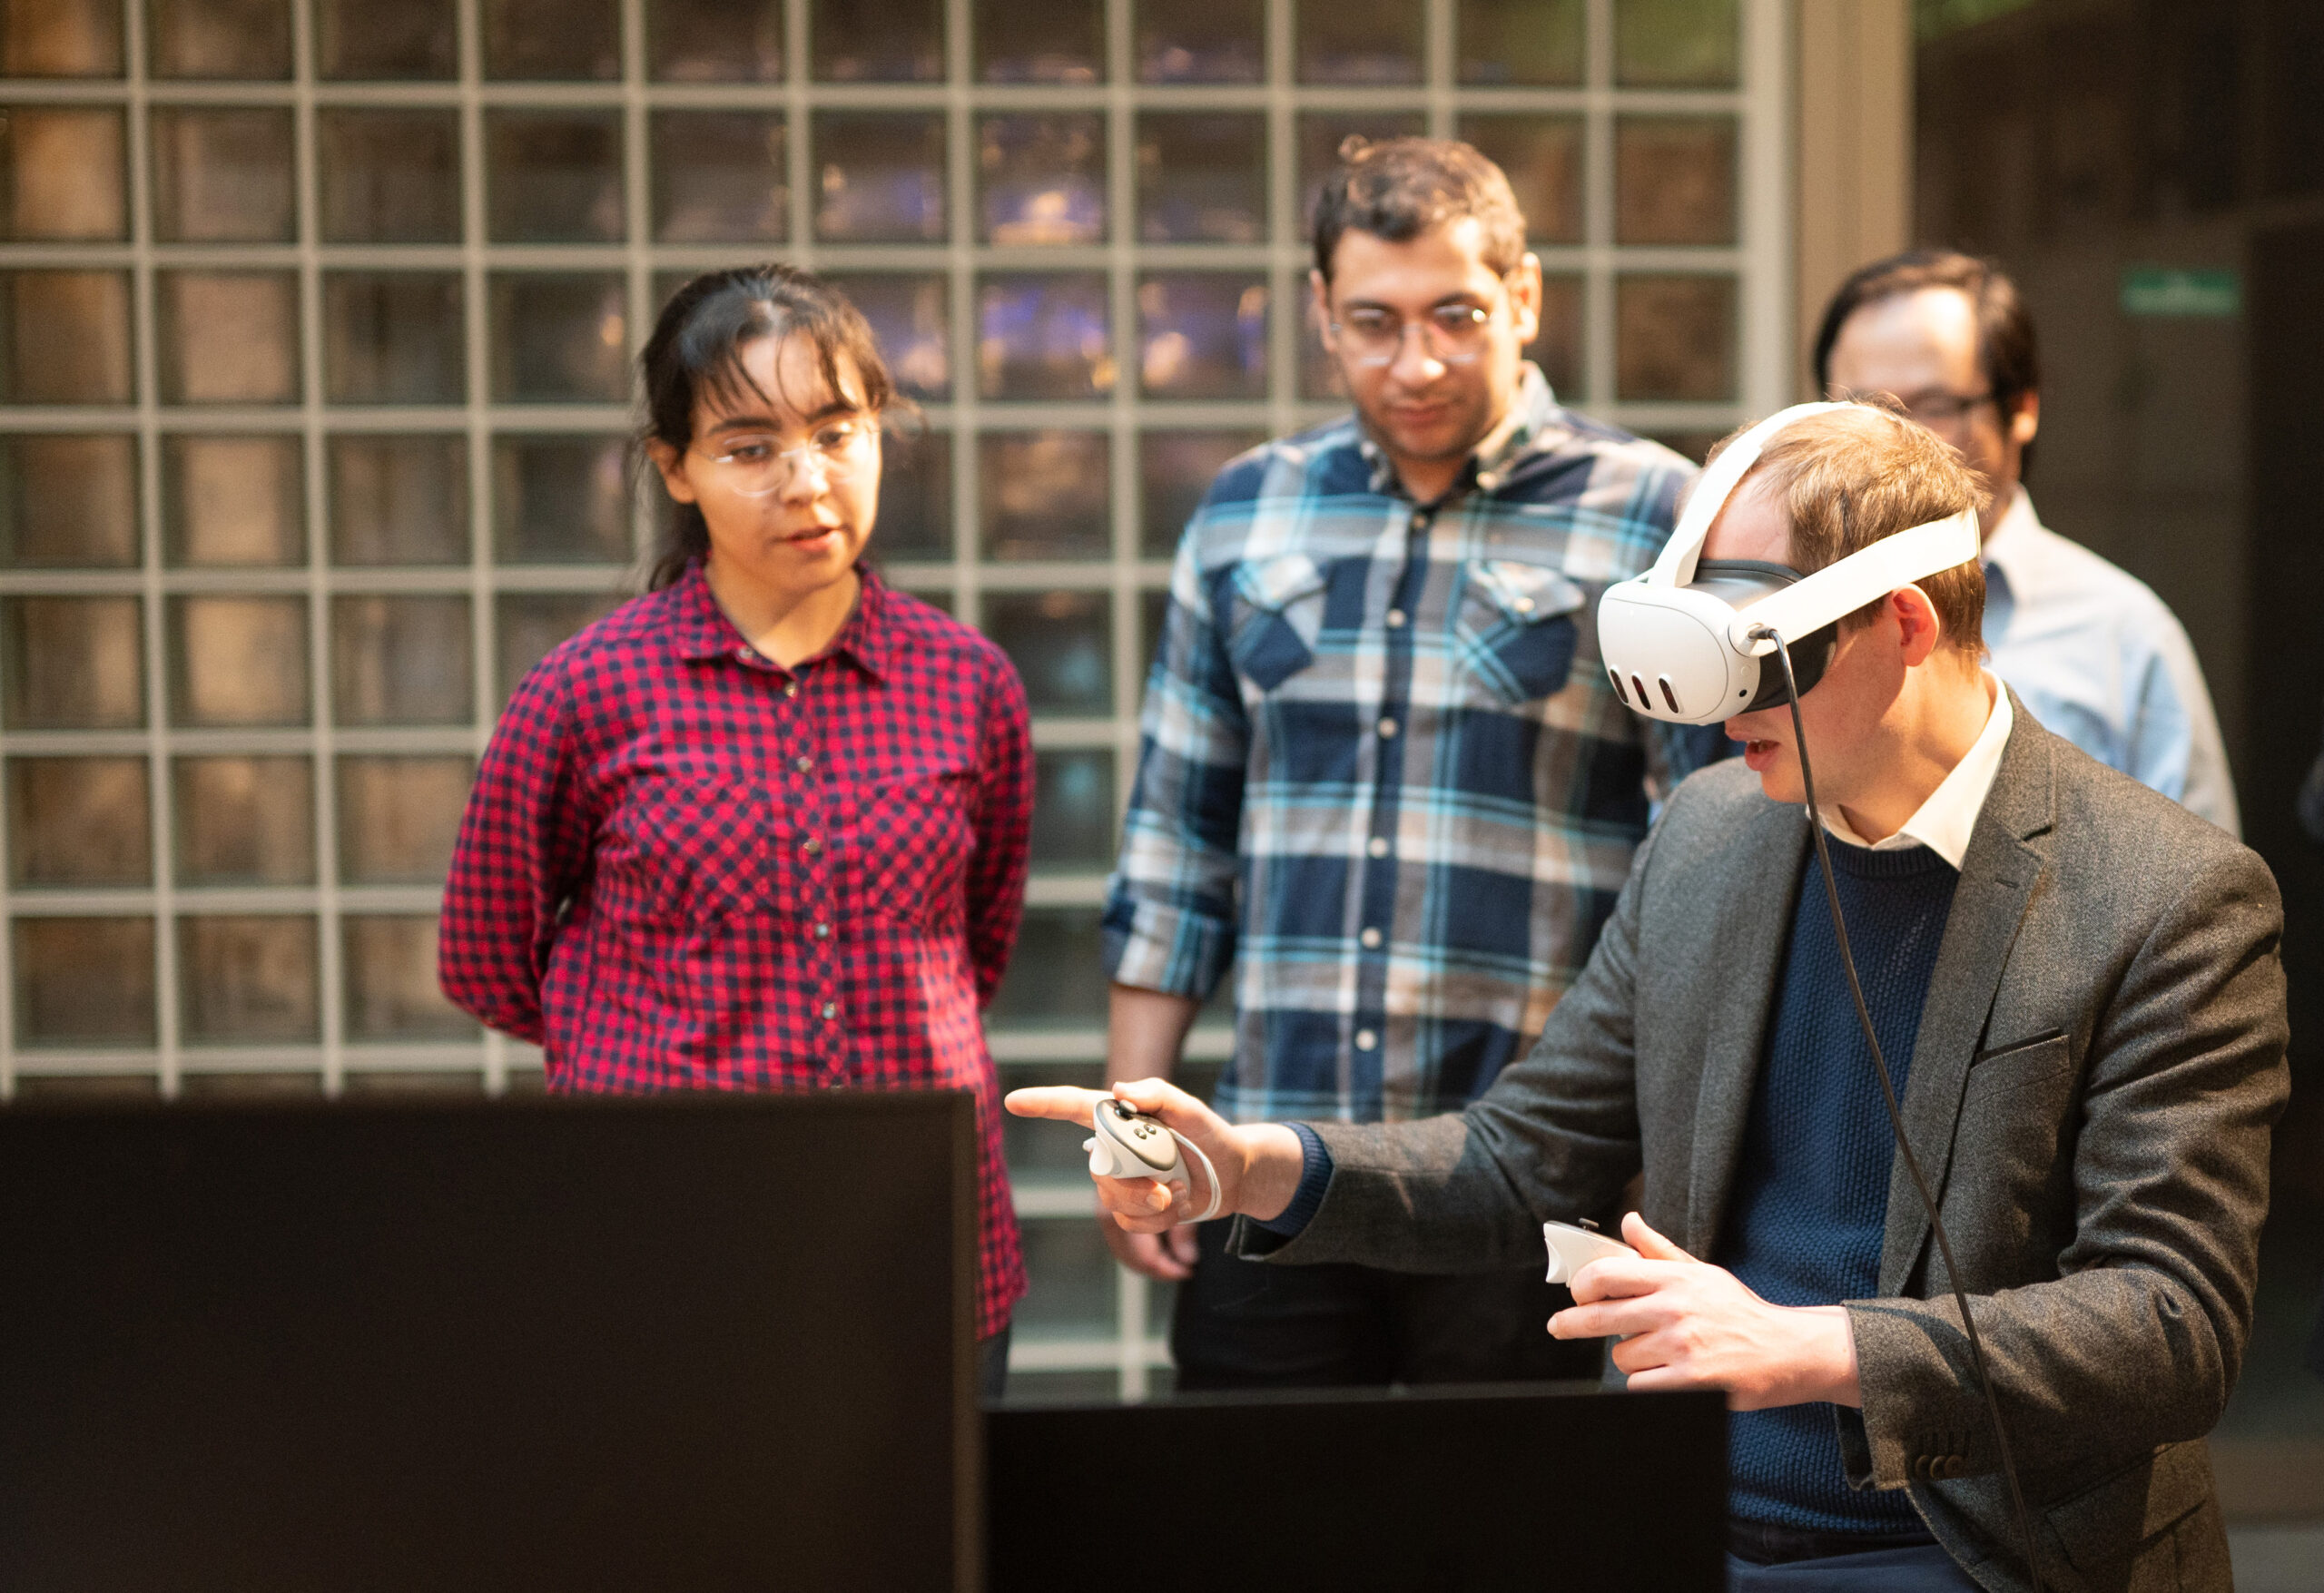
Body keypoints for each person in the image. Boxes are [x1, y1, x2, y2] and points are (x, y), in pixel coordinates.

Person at [1019, 404, 2289, 1589]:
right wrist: (1252, 1165)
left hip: (1984, 1540)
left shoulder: (2166, 894)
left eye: (1756, 651)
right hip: (1695, 1512)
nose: (1721, 708)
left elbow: (2171, 1318)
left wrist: (1815, 1344)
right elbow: (1526, 1156)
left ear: (1903, 625)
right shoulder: (1711, 833)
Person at [1100, 136, 1702, 1389]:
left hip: (1525, 1170)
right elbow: (1175, 841)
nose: (1415, 361)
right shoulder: (1246, 513)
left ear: (1524, 297)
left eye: (1456, 317)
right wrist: (1135, 1118)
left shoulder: (1653, 514)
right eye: (1373, 321)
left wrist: (1671, 1135)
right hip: (1269, 1154)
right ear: (1320, 311)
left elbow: (1712, 854)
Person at [438, 265, 1035, 1397]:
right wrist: (647, 1050)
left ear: (879, 433)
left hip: (917, 1235)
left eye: (835, 430)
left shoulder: (970, 686)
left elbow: (974, 944)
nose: (804, 481)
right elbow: (488, 960)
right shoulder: (585, 693)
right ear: (674, 467)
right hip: (661, 1237)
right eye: (749, 446)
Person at [1815, 249, 2240, 836]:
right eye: (1862, 413)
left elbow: (2200, 891)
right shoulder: (1789, 616)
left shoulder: (2123, 634)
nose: (1894, 444)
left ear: (2021, 409)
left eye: (1933, 406)